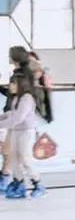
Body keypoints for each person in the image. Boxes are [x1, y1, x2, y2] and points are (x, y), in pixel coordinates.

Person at [0, 68, 45, 199]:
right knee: (14, 159)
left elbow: (19, 117)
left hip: (26, 132)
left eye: (12, 84)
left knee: (25, 159)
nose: (10, 87)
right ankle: (19, 183)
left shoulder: (26, 98)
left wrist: (1, 125)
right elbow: (11, 114)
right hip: (15, 131)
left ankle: (38, 184)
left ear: (20, 84)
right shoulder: (16, 98)